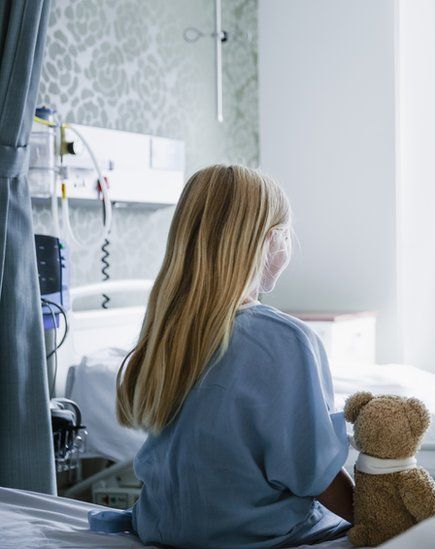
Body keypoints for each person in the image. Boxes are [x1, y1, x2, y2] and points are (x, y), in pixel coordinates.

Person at [116, 165, 353, 548]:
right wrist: (380, 523)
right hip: (266, 536)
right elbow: (316, 473)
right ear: (272, 241)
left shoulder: (166, 331)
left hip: (163, 529)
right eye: (287, 234)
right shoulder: (285, 339)